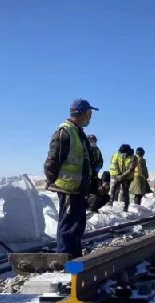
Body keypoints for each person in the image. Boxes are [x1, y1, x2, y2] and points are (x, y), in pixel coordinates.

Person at [44, 98, 97, 258]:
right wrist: (53, 181)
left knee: (77, 225)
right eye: (89, 113)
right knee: (68, 226)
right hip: (68, 188)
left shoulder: (78, 132)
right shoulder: (65, 132)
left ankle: (73, 257)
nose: (90, 117)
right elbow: (52, 161)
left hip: (77, 188)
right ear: (83, 113)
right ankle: (64, 260)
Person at [114, 144, 136, 212]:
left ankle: (125, 207)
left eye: (124, 152)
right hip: (119, 175)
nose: (122, 154)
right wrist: (118, 173)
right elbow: (116, 163)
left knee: (125, 192)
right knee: (114, 188)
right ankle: (112, 203)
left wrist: (122, 176)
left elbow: (131, 169)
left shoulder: (133, 157)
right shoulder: (119, 154)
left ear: (128, 151)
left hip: (127, 177)